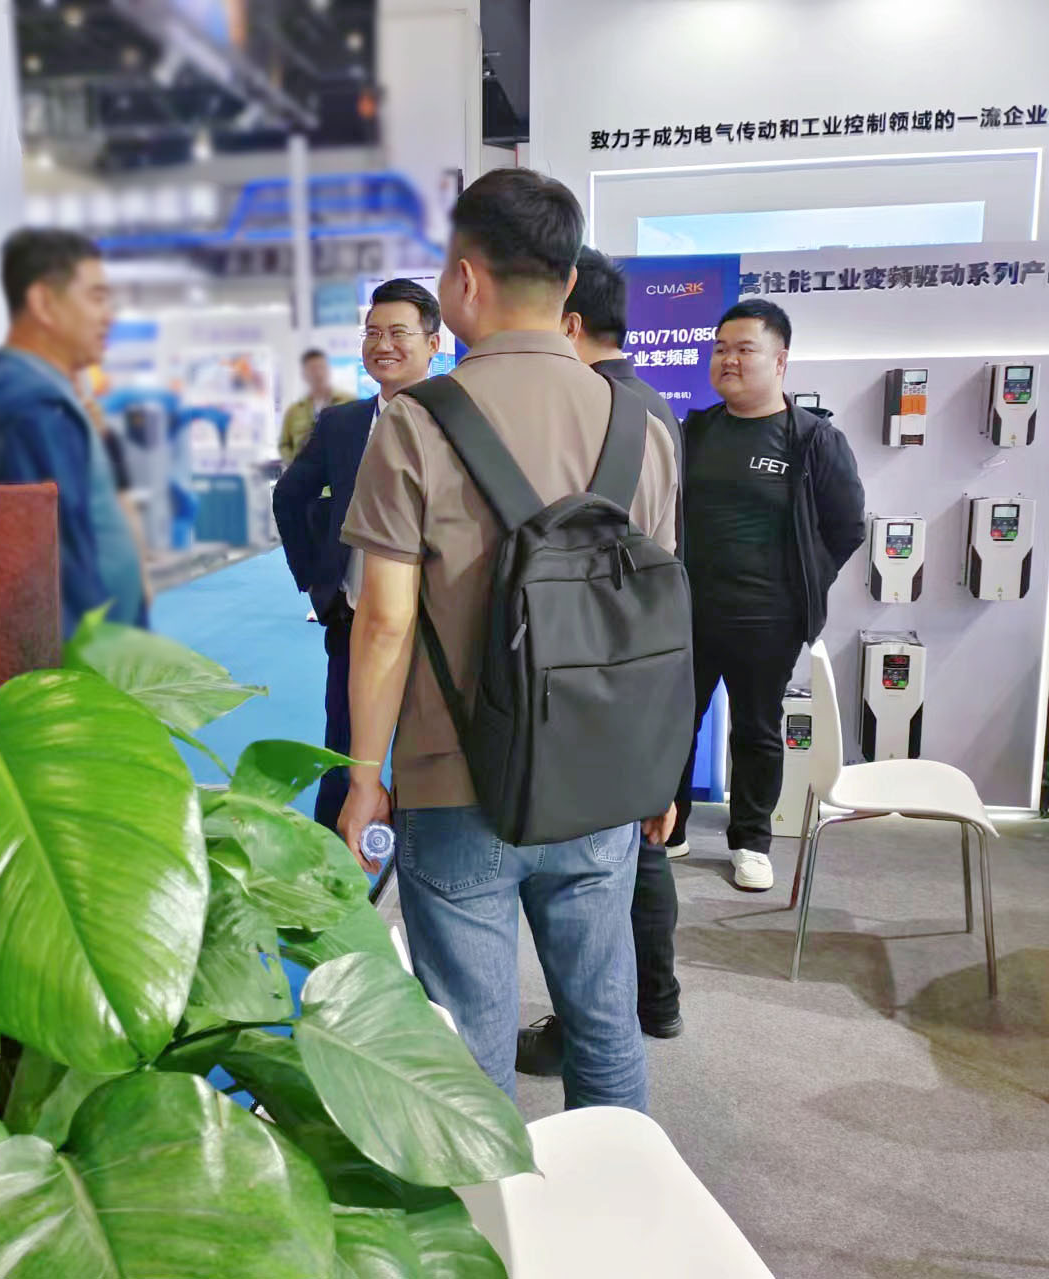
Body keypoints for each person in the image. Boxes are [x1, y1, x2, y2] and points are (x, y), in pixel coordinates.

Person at [337, 168, 680, 1110]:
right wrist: (661, 769)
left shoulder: (414, 424)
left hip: (456, 780)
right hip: (603, 774)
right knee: (604, 1023)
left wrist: (364, 776)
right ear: (568, 283)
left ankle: (491, 1205)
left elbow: (385, 622)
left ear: (463, 280)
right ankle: (618, 1195)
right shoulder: (645, 425)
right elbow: (659, 619)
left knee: (471, 1045)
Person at [515, 248, 686, 1078]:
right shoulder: (653, 411)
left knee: (615, 876)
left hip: (576, 680)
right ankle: (652, 1000)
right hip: (634, 675)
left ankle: (637, 1003)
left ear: (569, 317)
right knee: (626, 856)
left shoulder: (592, 410)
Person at [670, 299, 864, 892]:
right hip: (688, 612)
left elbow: (846, 528)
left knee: (756, 730)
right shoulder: (694, 432)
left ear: (780, 361)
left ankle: (750, 841)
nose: (728, 359)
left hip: (767, 618)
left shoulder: (812, 439)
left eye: (743, 349)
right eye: (720, 349)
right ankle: (671, 827)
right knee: (675, 723)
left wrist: (801, 584)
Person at [272, 280, 441, 831]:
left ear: (433, 343)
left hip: (439, 627)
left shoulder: (460, 421)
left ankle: (415, 856)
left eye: (398, 333)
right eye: (372, 333)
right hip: (355, 622)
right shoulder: (343, 424)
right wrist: (317, 581)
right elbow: (289, 495)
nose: (382, 345)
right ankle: (334, 866)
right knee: (343, 756)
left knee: (431, 762)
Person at [0, 230, 148, 636]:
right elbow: (53, 573)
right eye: (95, 298)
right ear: (44, 303)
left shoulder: (49, 395)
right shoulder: (34, 407)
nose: (108, 316)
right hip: (87, 654)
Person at [278, 349, 353, 465]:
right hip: (303, 471)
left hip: (338, 470)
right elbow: (284, 444)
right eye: (313, 369)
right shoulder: (294, 410)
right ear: (304, 374)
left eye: (322, 367)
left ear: (329, 370)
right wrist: (293, 464)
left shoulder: (349, 402)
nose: (318, 374)